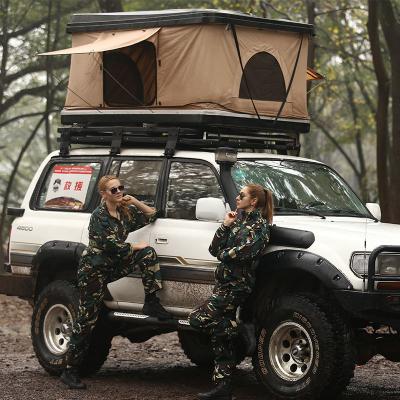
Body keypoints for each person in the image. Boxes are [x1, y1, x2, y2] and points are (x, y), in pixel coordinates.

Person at [60, 175, 171, 389]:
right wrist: (133, 247)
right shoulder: (99, 216)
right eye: (113, 190)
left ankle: (151, 301)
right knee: (87, 321)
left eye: (121, 188)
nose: (119, 191)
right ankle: (70, 370)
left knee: (148, 253)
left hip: (113, 265)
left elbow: (154, 214)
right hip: (94, 270)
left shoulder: (124, 212)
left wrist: (135, 201)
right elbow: (110, 245)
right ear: (104, 194)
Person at [189, 184, 273, 400]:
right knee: (219, 333)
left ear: (253, 201)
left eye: (242, 195)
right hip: (224, 284)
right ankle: (223, 387)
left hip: (237, 286)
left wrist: (225, 253)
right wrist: (225, 226)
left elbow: (243, 253)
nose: (237, 197)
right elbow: (213, 249)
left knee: (197, 319)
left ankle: (244, 332)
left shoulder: (260, 227)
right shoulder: (239, 221)